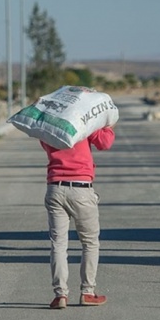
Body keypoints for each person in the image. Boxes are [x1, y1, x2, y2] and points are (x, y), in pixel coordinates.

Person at [42, 125, 115, 309]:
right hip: (81, 187)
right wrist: (107, 127)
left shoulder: (51, 124)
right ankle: (87, 292)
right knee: (89, 242)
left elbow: (45, 142)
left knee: (58, 243)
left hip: (55, 188)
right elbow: (105, 143)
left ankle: (60, 295)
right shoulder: (84, 120)